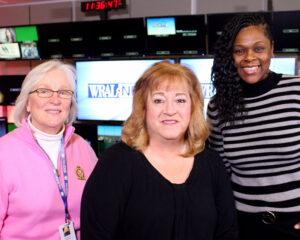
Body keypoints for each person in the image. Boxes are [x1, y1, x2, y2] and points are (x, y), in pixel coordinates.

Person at [81, 61, 238, 240]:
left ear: (193, 107)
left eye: (180, 100)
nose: (170, 110)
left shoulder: (211, 163)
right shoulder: (116, 163)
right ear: (143, 108)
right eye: (158, 100)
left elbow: (228, 233)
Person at [207, 13, 300, 240]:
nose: (249, 57)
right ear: (231, 56)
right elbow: (221, 172)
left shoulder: (296, 90)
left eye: (258, 48)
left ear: (272, 49)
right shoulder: (218, 107)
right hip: (245, 226)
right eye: (240, 51)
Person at [0, 60, 98, 239]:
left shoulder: (83, 148)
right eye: (43, 91)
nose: (55, 100)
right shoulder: (3, 153)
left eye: (63, 92)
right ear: (27, 103)